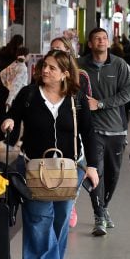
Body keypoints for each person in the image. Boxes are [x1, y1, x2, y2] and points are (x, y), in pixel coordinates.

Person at [1, 49, 99, 259]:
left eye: (52, 67)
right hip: (35, 166)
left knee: (62, 217)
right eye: (45, 65)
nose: (45, 70)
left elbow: (89, 133)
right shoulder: (29, 94)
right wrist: (10, 121)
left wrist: (93, 166)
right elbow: (13, 113)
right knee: (38, 217)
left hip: (69, 168)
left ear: (65, 73)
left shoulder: (77, 100)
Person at [78, 27, 130, 236]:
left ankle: (104, 206)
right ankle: (99, 215)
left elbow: (127, 94)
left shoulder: (119, 65)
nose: (101, 41)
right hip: (92, 130)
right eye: (96, 39)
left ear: (108, 42)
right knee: (96, 172)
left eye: (104, 38)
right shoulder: (80, 65)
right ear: (90, 44)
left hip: (116, 129)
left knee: (112, 176)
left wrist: (100, 104)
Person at [51, 35, 91, 229]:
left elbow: (86, 106)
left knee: (76, 169)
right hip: (52, 136)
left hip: (76, 134)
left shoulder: (80, 76)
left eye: (59, 49)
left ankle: (70, 202)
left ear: (69, 51)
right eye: (52, 49)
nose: (55, 53)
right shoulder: (44, 73)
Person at [0, 34, 24, 141]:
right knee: (10, 110)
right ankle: (8, 134)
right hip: (7, 86)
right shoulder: (15, 55)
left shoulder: (2, 51)